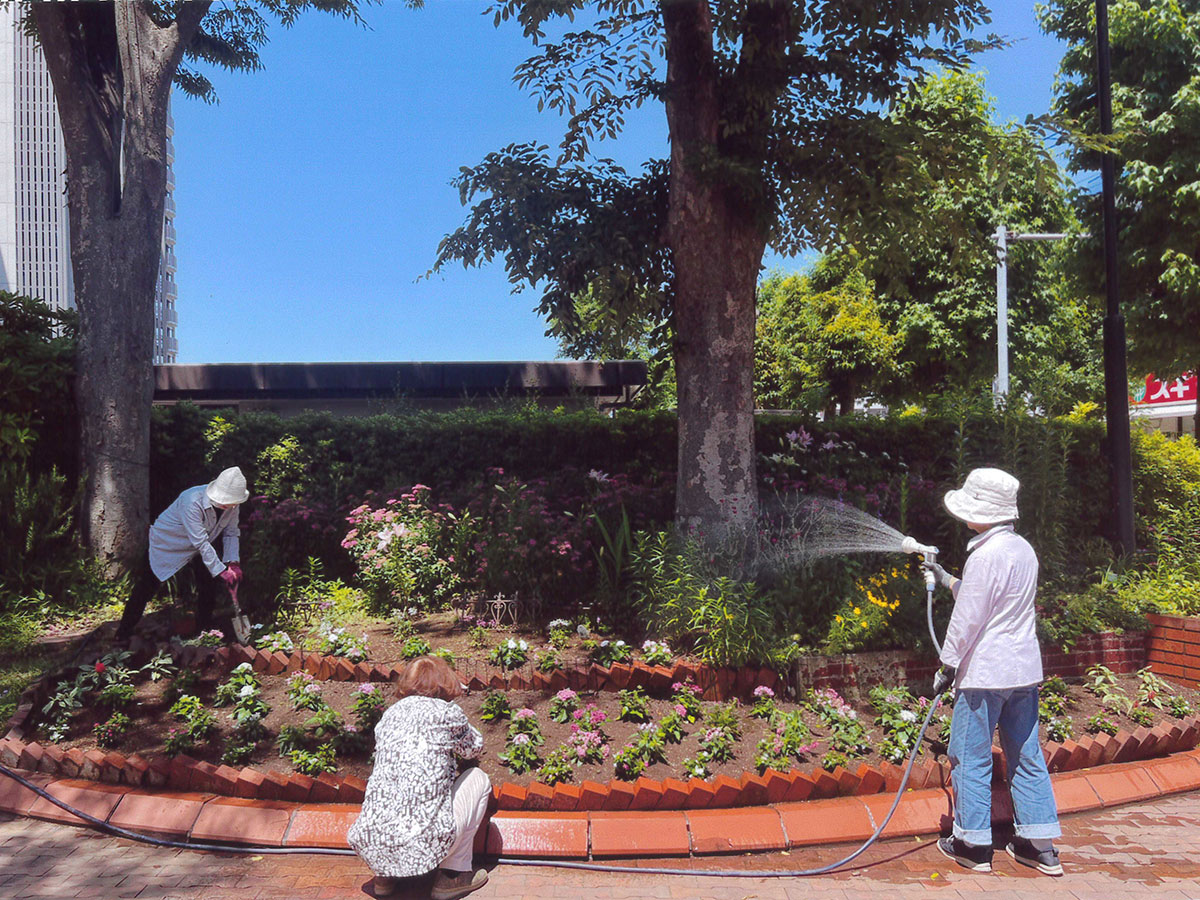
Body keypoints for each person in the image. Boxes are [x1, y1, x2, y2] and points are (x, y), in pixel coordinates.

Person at [924, 467, 1063, 877]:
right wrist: (947, 579)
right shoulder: (1023, 549)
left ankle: (972, 845)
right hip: (1022, 673)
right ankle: (1040, 847)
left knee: (970, 756)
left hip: (985, 674)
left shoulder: (984, 556)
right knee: (1026, 755)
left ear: (985, 511)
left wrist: (948, 665)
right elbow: (993, 600)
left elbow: (969, 618)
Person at [348, 655, 492, 900]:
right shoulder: (447, 712)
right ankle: (453, 876)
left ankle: (384, 877)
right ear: (443, 682)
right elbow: (474, 748)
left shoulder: (390, 715)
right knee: (478, 778)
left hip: (371, 840)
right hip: (425, 840)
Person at [116, 466, 249, 640]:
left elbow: (231, 532)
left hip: (201, 544)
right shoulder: (191, 500)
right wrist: (222, 571)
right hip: (169, 542)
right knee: (147, 586)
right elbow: (200, 541)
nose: (228, 506)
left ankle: (204, 631)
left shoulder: (233, 505)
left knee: (208, 585)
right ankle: (123, 632)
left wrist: (233, 563)